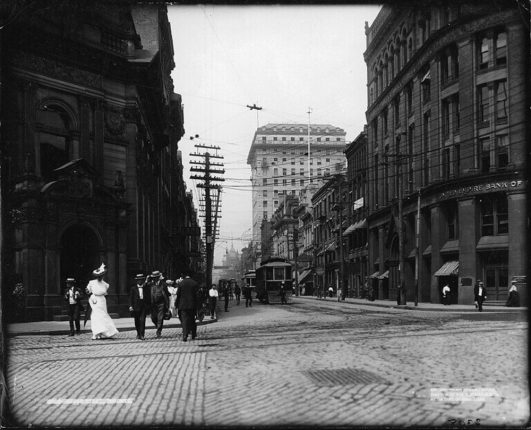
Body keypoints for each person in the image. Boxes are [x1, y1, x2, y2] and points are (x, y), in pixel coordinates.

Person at [86, 264, 118, 340]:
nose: (99, 278)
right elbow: (88, 291)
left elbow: (106, 293)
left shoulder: (105, 284)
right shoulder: (91, 283)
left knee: (103, 316)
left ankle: (107, 332)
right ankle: (96, 333)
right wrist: (87, 291)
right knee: (95, 316)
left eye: (101, 276)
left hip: (102, 301)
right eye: (98, 277)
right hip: (94, 300)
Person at [176, 272, 198, 341]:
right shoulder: (194, 283)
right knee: (192, 319)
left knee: (184, 320)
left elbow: (178, 295)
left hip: (183, 305)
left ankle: (185, 335)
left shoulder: (181, 283)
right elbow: (197, 296)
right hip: (192, 305)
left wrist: (176, 304)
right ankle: (193, 334)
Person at [149, 270, 169, 338]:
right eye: (153, 277)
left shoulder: (163, 284)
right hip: (153, 304)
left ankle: (159, 331)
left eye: (156, 277)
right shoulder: (151, 284)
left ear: (158, 277)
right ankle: (158, 326)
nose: (154, 278)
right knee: (153, 318)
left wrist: (167, 305)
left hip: (161, 303)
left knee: (160, 318)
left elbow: (167, 294)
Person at [129, 273, 149, 340]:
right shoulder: (133, 288)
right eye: (139, 280)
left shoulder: (145, 288)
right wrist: (130, 306)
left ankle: (142, 335)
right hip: (136, 306)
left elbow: (148, 297)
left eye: (141, 280)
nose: (140, 281)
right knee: (137, 321)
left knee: (143, 321)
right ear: (137, 281)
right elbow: (130, 298)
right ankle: (138, 333)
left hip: (143, 306)